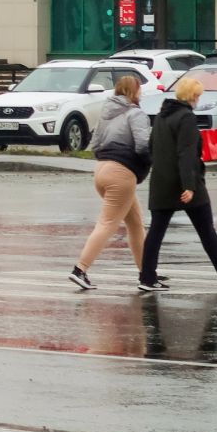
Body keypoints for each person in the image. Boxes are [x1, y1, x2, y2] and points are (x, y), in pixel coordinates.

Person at [139, 76, 217, 293]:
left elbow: (152, 147)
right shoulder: (186, 118)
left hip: (161, 182)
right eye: (198, 95)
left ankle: (147, 276)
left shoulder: (162, 116)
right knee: (206, 229)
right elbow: (187, 153)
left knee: (156, 232)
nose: (199, 99)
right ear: (192, 96)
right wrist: (189, 185)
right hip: (184, 183)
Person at [70, 74, 151, 290]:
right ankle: (80, 269)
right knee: (107, 224)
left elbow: (94, 145)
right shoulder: (136, 114)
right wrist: (151, 162)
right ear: (134, 92)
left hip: (102, 170)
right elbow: (143, 145)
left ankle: (147, 274)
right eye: (139, 89)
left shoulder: (106, 113)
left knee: (135, 224)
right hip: (121, 173)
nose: (141, 93)